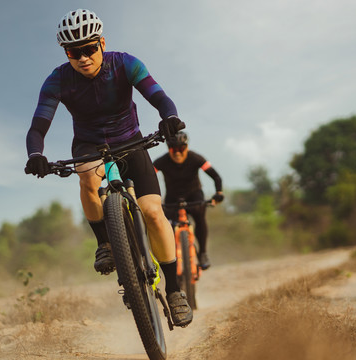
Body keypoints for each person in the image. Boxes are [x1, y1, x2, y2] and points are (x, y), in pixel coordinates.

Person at [23, 9, 192, 327]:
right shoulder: (57, 80)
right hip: (89, 145)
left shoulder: (125, 63)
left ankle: (175, 290)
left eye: (89, 49)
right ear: (66, 53)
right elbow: (38, 126)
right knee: (87, 177)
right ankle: (105, 243)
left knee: (153, 212)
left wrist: (169, 117)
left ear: (101, 43)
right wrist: (35, 153)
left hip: (131, 141)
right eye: (75, 52)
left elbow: (159, 96)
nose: (83, 58)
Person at [153, 131, 224, 270]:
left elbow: (216, 177)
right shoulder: (161, 161)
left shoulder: (196, 158)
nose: (177, 153)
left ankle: (203, 253)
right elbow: (146, 175)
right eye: (173, 149)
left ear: (186, 147)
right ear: (169, 149)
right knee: (167, 227)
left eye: (181, 149)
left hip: (194, 195)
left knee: (200, 218)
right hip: (172, 198)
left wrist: (218, 193)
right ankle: (170, 259)